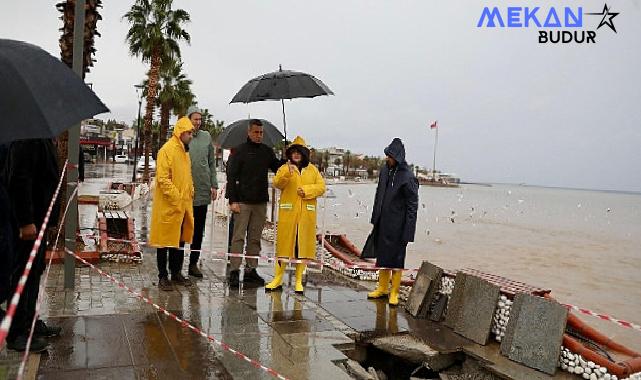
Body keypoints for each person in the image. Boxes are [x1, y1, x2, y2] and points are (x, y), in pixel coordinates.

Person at [5, 138, 62, 352]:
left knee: (34, 273)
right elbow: (19, 178)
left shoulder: (43, 137)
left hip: (40, 221)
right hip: (29, 225)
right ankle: (16, 332)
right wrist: (25, 221)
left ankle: (30, 323)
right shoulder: (27, 136)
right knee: (22, 275)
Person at [362, 138, 419, 306]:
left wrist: (408, 231)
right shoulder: (385, 171)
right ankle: (382, 288)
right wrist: (375, 218)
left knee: (396, 260)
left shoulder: (408, 177)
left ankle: (394, 292)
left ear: (398, 157)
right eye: (387, 155)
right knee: (382, 257)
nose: (387, 158)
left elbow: (412, 206)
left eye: (390, 156)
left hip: (398, 227)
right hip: (382, 222)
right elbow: (379, 195)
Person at [225, 119, 282, 287]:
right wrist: (232, 200)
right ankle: (234, 271)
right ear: (249, 132)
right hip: (242, 202)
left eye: (261, 133)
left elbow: (277, 167)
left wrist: (286, 160)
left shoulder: (267, 151)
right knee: (238, 238)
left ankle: (251, 270)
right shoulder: (239, 151)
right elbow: (232, 176)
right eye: (256, 132)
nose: (259, 135)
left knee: (255, 239)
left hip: (260, 202)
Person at [266, 136, 325, 293]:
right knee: (284, 247)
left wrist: (307, 191)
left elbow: (321, 187)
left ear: (304, 154)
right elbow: (277, 183)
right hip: (288, 214)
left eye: (299, 152)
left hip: (306, 216)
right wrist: (287, 174)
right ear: (290, 154)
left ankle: (299, 280)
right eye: (294, 152)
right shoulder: (285, 168)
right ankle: (277, 278)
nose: (296, 155)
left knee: (301, 248)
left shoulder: (312, 169)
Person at [149, 117, 195, 291]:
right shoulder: (166, 150)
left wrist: (191, 191)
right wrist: (177, 198)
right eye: (189, 133)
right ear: (181, 132)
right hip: (168, 206)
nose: (191, 136)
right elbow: (162, 179)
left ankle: (176, 273)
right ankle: (163, 276)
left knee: (179, 241)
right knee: (164, 242)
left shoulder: (185, 151)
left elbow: (186, 176)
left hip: (182, 206)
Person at [185, 106, 218, 278]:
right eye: (195, 119)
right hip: (184, 192)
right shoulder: (183, 136)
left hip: (203, 190)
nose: (198, 122)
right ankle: (175, 267)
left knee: (198, 230)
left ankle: (193, 263)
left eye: (200, 119)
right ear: (188, 119)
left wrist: (214, 184)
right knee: (182, 230)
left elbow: (212, 163)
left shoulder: (206, 137)